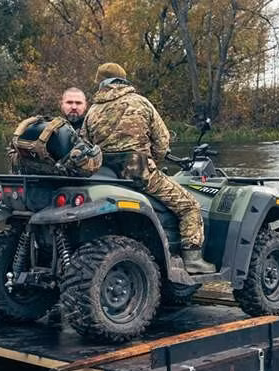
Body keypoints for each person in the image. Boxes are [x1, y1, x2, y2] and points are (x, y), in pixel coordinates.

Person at [81, 62, 215, 274]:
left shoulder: (92, 111)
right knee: (189, 205)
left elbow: (86, 147)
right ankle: (193, 259)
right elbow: (162, 142)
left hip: (105, 175)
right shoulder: (141, 103)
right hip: (138, 169)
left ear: (101, 83)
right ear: (123, 80)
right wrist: (153, 161)